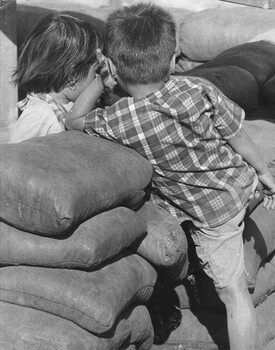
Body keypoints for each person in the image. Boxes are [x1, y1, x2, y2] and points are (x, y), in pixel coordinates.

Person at [65, 3, 275, 349]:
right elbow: (237, 132)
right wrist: (263, 171)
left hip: (213, 216)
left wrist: (101, 81)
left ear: (114, 66)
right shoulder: (198, 89)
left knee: (235, 294)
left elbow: (73, 123)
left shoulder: (120, 120)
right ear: (174, 55)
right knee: (240, 183)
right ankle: (253, 195)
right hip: (239, 180)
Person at [9, 12, 103, 143]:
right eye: (96, 71)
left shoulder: (71, 105)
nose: (97, 77)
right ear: (72, 77)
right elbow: (14, 157)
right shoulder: (39, 115)